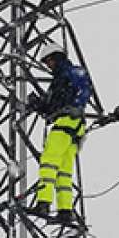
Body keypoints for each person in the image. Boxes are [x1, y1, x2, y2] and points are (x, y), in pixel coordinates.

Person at [26, 41, 93, 226]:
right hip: (76, 127)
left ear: (56, 58)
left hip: (65, 122)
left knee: (49, 162)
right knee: (64, 171)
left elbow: (54, 104)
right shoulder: (74, 74)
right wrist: (42, 105)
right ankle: (65, 210)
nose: (48, 66)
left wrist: (40, 104)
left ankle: (43, 203)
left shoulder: (64, 76)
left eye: (49, 61)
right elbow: (58, 104)